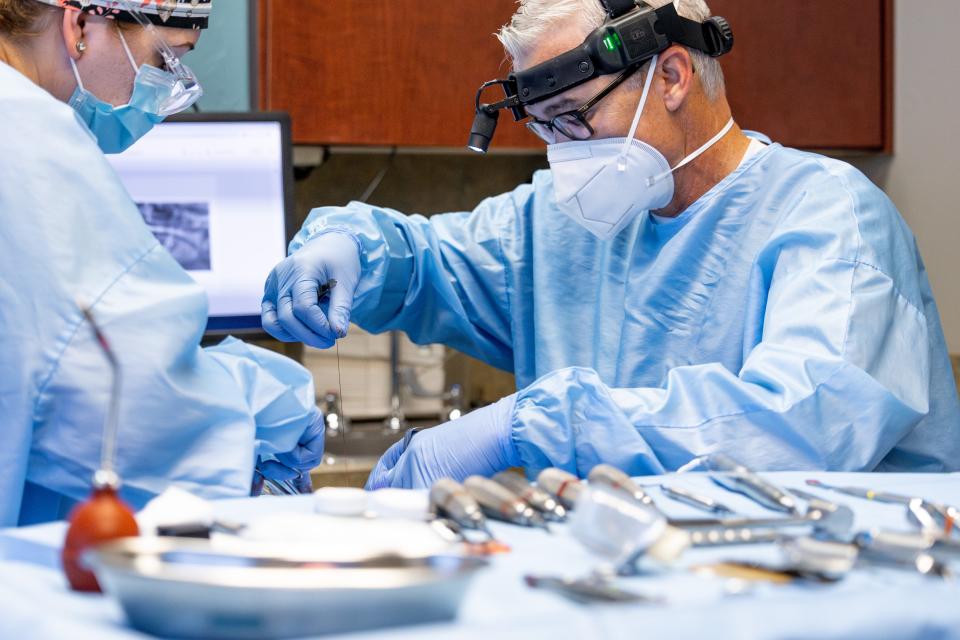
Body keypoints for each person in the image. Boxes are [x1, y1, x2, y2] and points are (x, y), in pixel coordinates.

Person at [262, 0, 960, 489]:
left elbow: (796, 427)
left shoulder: (831, 219)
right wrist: (354, 248)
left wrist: (528, 425)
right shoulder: (566, 227)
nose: (561, 153)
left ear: (673, 76)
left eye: (574, 118)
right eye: (542, 129)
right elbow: (432, 265)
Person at [0, 0, 324, 527]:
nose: (165, 94)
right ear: (81, 23)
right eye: (164, 60)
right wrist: (258, 399)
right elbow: (124, 402)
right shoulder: (25, 136)